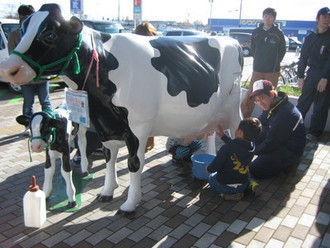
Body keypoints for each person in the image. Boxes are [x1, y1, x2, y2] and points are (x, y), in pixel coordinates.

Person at [8, 4, 52, 136]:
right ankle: (28, 125)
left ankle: (49, 124)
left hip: (42, 76)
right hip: (26, 77)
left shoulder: (40, 32)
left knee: (45, 102)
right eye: (25, 17)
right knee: (28, 103)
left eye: (31, 17)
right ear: (20, 17)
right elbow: (13, 55)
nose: (28, 20)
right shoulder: (14, 35)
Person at [249, 80, 306, 179]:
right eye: (256, 100)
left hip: (290, 149)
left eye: (261, 98)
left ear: (271, 94)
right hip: (280, 140)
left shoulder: (285, 114)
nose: (259, 103)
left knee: (255, 169)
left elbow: (272, 141)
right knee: (252, 137)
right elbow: (259, 122)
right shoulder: (273, 104)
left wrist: (253, 152)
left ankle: (289, 165)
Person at [241, 7, 286, 118]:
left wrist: (273, 62)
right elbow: (253, 48)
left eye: (270, 16)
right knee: (251, 93)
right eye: (266, 15)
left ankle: (267, 119)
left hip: (272, 71)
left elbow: (282, 51)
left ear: (274, 18)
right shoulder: (256, 32)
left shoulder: (278, 33)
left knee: (270, 95)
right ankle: (244, 118)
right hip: (257, 69)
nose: (268, 17)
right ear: (262, 17)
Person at [206, 117, 262, 200]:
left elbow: (216, 165)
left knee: (211, 178)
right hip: (242, 185)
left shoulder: (226, 148)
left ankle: (224, 195)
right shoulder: (252, 147)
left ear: (239, 132)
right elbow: (236, 145)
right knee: (247, 177)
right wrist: (223, 137)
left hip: (225, 186)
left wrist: (208, 168)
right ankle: (252, 185)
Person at [296, 7, 330, 141]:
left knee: (321, 105)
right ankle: (296, 127)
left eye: (329, 17)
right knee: (303, 102)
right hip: (312, 73)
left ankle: (316, 132)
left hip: (326, 74)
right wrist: (300, 76)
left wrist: (325, 78)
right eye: (324, 17)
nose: (327, 20)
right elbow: (303, 57)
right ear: (317, 19)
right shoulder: (310, 37)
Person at [134, 22, 157, 151]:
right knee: (150, 117)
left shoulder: (133, 47)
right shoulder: (155, 47)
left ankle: (142, 142)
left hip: (138, 88)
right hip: (151, 88)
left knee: (138, 117)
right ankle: (148, 141)